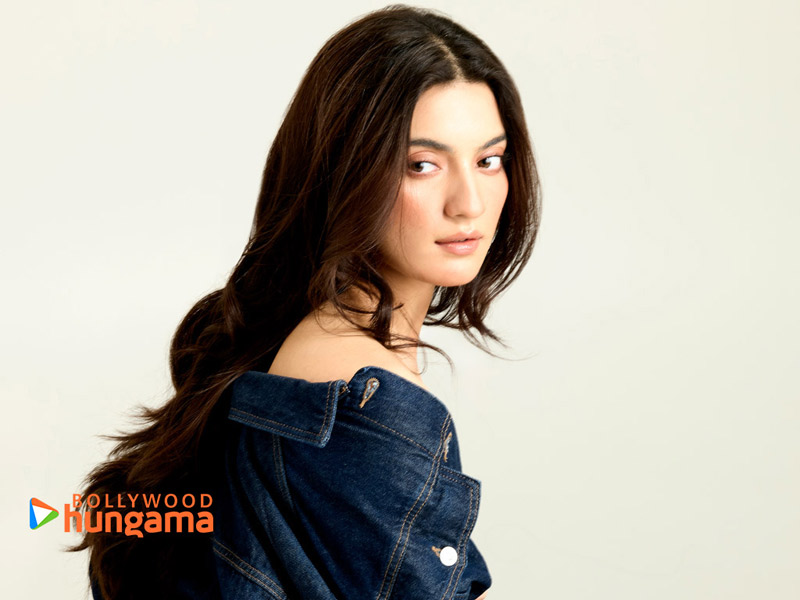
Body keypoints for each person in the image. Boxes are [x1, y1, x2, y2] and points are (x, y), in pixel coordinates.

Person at [73, 4, 540, 599]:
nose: (469, 202)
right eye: (421, 165)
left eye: (488, 160)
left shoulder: (307, 345)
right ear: (348, 170)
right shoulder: (364, 395)